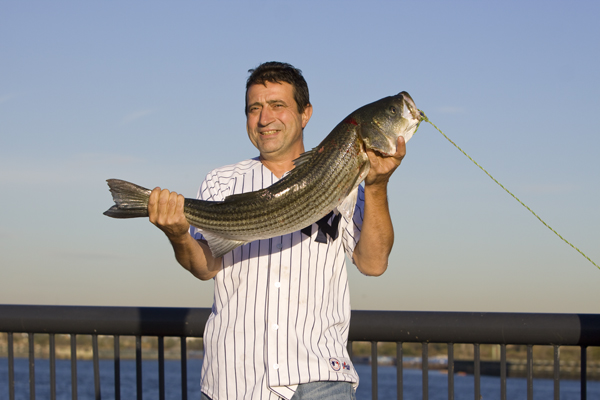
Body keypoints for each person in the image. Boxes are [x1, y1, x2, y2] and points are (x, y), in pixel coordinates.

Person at [147, 62, 406, 400]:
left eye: (278, 106)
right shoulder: (221, 180)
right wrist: (178, 233)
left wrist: (377, 185)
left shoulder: (347, 180)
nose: (265, 118)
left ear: (306, 114)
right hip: (234, 381)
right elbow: (205, 266)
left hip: (320, 379)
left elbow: (373, 263)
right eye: (255, 108)